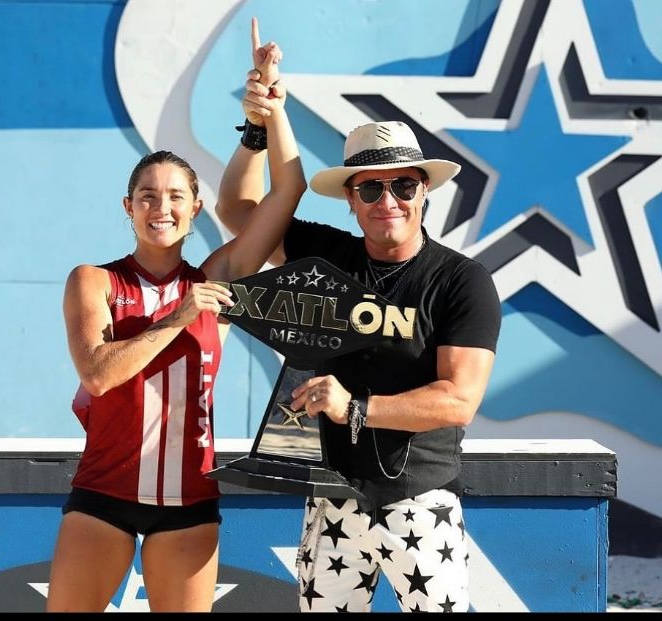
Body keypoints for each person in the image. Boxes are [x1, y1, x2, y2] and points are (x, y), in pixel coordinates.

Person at [216, 62, 501, 612]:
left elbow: (459, 400)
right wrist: (258, 127)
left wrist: (354, 408)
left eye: (403, 185)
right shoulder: (327, 258)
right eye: (370, 188)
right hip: (333, 498)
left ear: (424, 191)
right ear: (350, 199)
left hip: (420, 501)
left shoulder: (462, 280)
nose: (387, 201)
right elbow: (239, 211)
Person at [46, 26, 302, 612]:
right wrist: (177, 317)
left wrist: (266, 113)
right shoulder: (94, 280)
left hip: (189, 502)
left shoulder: (216, 279)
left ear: (194, 208)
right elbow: (98, 374)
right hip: (102, 496)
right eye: (148, 196)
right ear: (128, 207)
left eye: (175, 196)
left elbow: (287, 192)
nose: (161, 207)